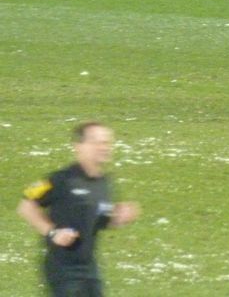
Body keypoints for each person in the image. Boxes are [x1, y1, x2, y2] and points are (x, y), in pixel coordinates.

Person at [17, 121, 140, 296]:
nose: (104, 147)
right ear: (79, 146)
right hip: (63, 268)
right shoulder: (60, 180)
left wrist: (118, 218)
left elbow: (99, 220)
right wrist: (53, 233)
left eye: (107, 143)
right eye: (97, 142)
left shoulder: (104, 182)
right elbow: (26, 205)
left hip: (89, 267)